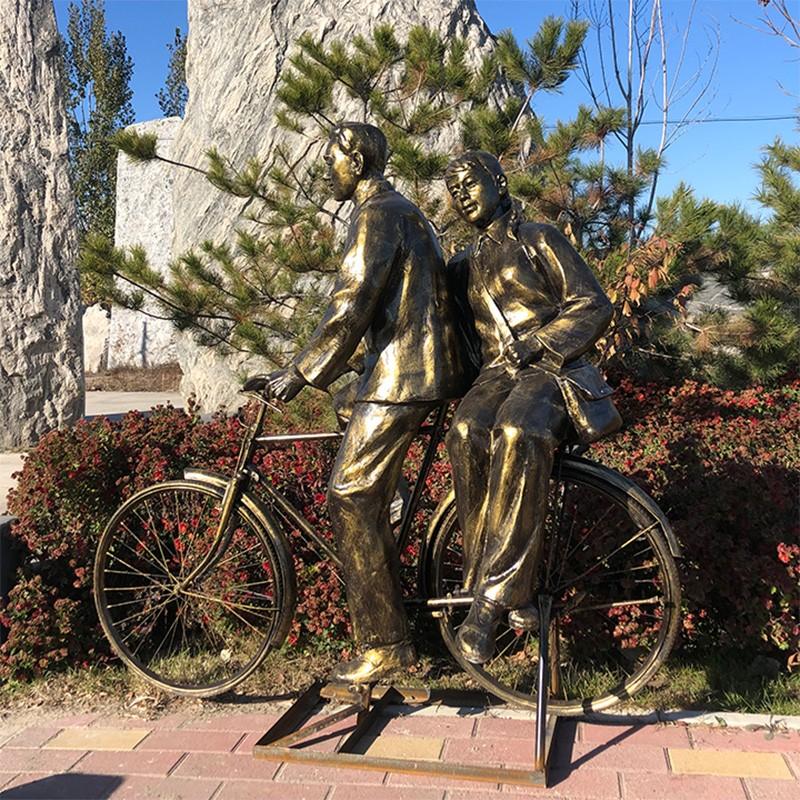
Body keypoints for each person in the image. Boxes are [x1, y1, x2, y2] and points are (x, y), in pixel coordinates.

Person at [258, 122, 470, 683]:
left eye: (331, 160)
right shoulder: (401, 210)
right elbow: (386, 306)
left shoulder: (377, 214)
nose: (326, 172)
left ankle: (386, 647)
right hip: (413, 362)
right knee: (347, 401)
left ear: (356, 161)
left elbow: (351, 303)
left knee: (348, 497)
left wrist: (299, 373)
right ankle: (391, 503)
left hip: (408, 373)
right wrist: (341, 368)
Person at [443, 150, 621, 664]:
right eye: (454, 191)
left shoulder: (538, 237)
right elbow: (458, 339)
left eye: (470, 183)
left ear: (498, 182)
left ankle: (489, 604)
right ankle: (492, 581)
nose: (462, 196)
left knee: (519, 431)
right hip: (495, 373)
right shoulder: (461, 264)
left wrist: (540, 343)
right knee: (465, 432)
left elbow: (593, 304)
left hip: (549, 366)